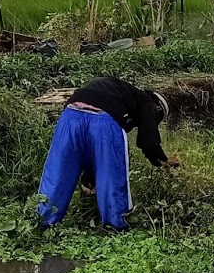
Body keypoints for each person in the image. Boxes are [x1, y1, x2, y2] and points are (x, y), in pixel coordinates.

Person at [35, 77, 178, 230]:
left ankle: (42, 220)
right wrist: (163, 160)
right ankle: (116, 225)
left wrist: (88, 177)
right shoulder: (147, 102)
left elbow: (90, 150)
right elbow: (148, 142)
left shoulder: (122, 94)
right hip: (104, 119)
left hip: (70, 116)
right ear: (158, 109)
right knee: (112, 174)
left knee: (58, 171)